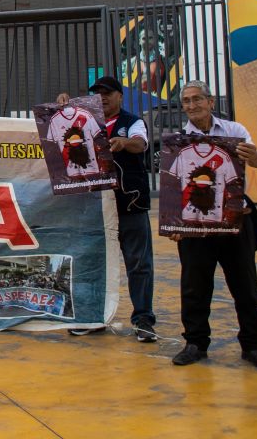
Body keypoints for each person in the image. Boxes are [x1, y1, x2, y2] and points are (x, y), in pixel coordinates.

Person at [169, 80, 257, 371]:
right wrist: (174, 222)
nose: (191, 105)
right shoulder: (177, 142)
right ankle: (195, 343)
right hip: (196, 223)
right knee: (194, 286)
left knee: (245, 285)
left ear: (210, 102)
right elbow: (173, 187)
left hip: (234, 219)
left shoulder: (235, 132)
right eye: (186, 101)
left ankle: (254, 345)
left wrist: (253, 156)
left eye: (197, 99)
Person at [60, 76, 156, 342]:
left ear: (120, 96)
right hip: (93, 208)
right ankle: (93, 318)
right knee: (92, 264)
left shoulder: (133, 122)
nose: (102, 97)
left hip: (129, 204)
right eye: (98, 93)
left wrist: (124, 143)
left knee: (139, 264)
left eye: (108, 93)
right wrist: (62, 107)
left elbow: (140, 143)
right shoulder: (83, 120)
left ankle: (144, 320)